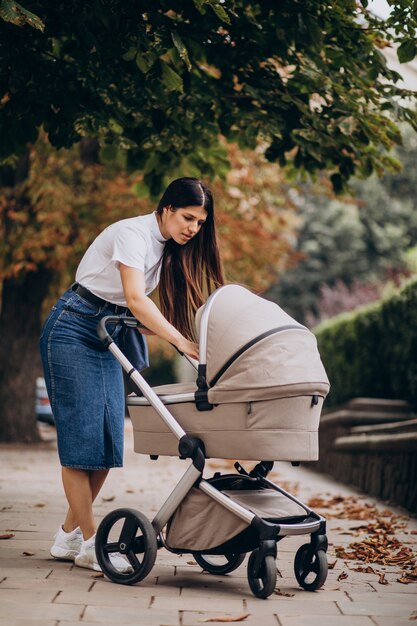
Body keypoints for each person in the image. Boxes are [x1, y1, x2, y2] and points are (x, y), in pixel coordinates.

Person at [39, 177, 224, 572]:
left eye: (200, 223)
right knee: (80, 441)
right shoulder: (131, 234)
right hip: (73, 328)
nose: (193, 228)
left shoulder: (166, 248)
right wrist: (179, 341)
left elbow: (136, 310)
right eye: (188, 218)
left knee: (106, 441)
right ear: (167, 209)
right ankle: (92, 542)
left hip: (108, 332)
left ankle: (67, 536)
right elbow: (137, 299)